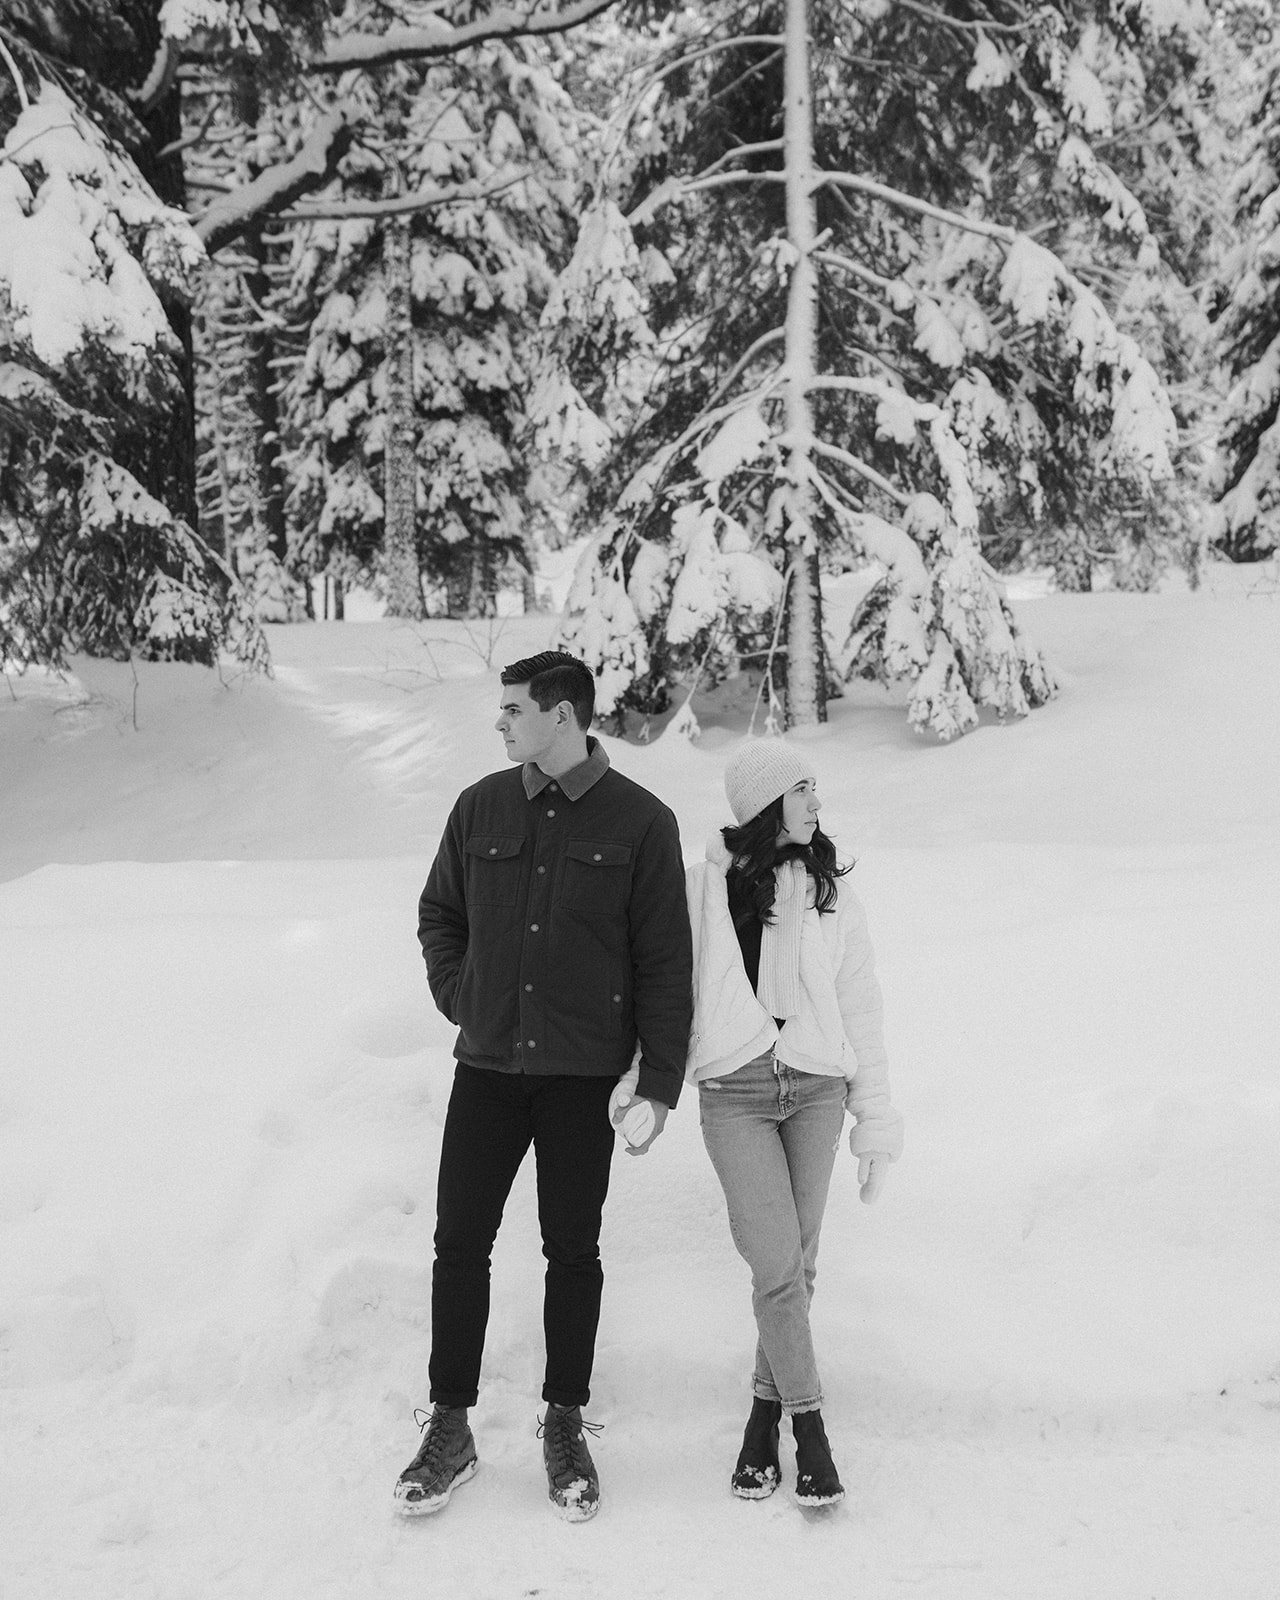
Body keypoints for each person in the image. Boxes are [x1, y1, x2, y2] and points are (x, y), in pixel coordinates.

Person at [394, 651, 692, 1522]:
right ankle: (450, 1425)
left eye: (514, 709)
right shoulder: (480, 805)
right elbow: (438, 914)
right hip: (486, 1069)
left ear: (562, 717)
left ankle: (565, 1422)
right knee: (460, 1244)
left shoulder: (642, 821)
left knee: (573, 1250)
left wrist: (661, 1082)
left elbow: (665, 964)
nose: (502, 723)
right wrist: (463, 995)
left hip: (582, 1077)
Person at [685, 738, 902, 1506]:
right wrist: (642, 1085)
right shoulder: (704, 891)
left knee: (797, 1272)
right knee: (778, 1265)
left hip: (815, 1090)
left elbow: (861, 1012)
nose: (817, 804)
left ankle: (760, 1416)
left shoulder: (830, 896)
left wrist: (872, 1120)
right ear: (765, 804)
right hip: (736, 1093)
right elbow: (667, 992)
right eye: (803, 789)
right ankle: (811, 1435)